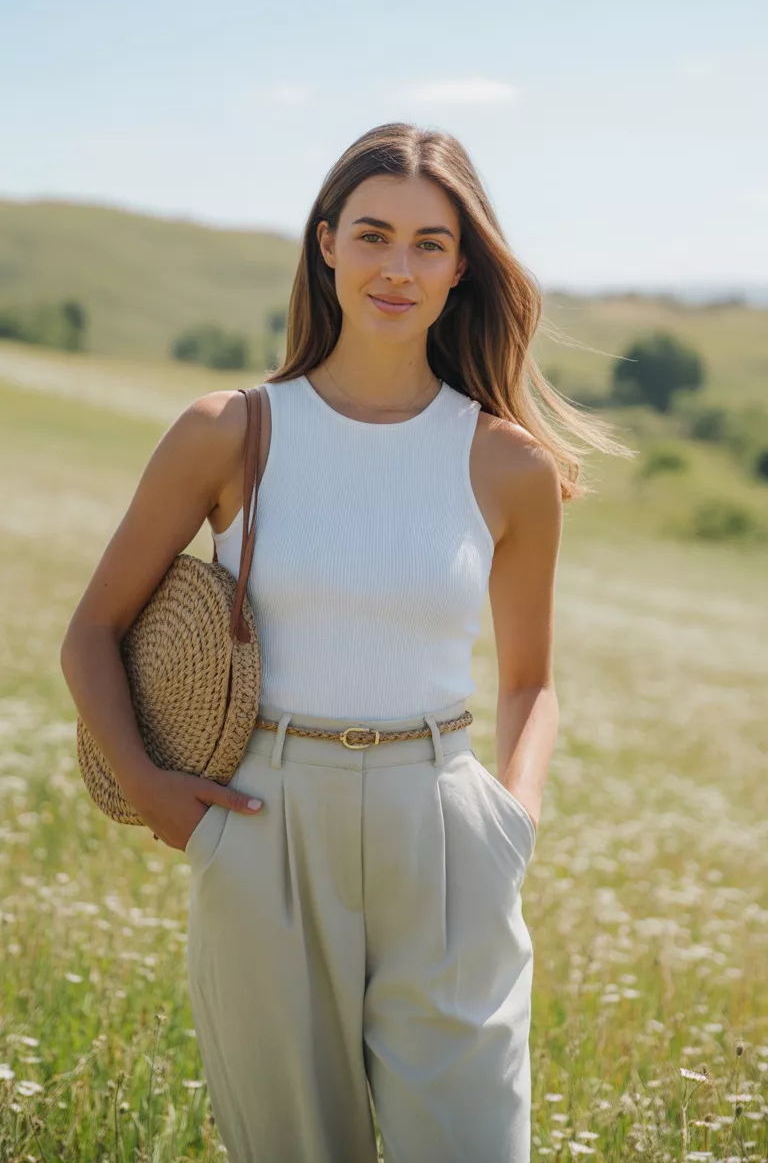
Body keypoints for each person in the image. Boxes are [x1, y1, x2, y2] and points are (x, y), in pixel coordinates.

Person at [61, 121, 633, 1162]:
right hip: (263, 829)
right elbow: (93, 631)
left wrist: (512, 822)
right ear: (326, 243)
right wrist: (151, 791)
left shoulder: (508, 464)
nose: (396, 268)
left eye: (428, 244)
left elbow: (532, 683)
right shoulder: (230, 431)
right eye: (373, 235)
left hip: (447, 833)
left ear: (462, 269)